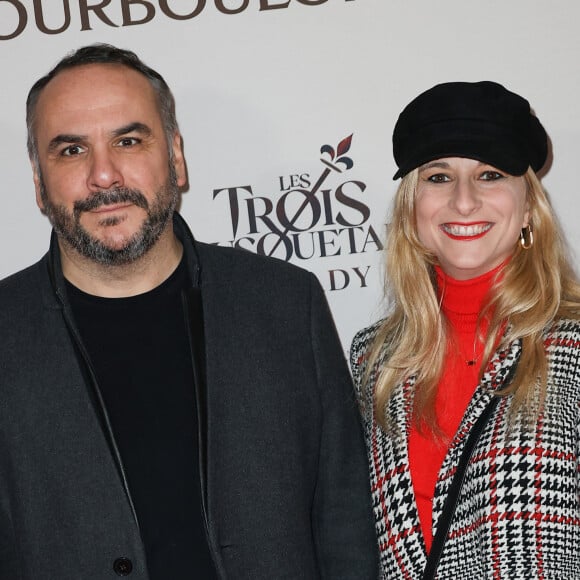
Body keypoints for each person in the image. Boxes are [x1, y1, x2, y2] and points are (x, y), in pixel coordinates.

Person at [0, 44, 378, 579]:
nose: (104, 175)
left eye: (128, 141)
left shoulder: (285, 303)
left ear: (176, 158)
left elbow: (345, 523)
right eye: (70, 151)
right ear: (39, 183)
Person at [350, 81, 580, 579]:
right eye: (438, 177)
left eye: (490, 174)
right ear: (412, 212)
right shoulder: (373, 359)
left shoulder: (574, 344)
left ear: (527, 209)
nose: (463, 201)